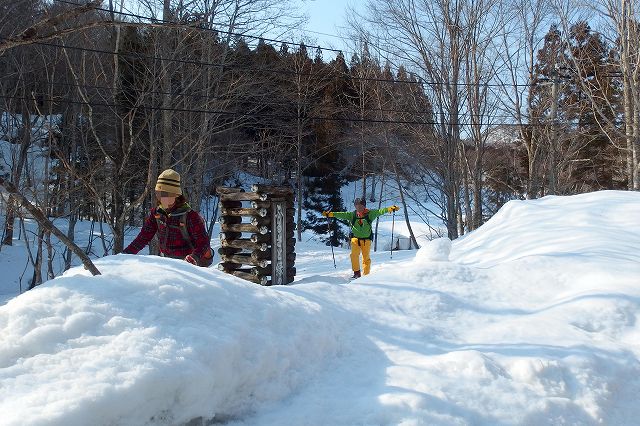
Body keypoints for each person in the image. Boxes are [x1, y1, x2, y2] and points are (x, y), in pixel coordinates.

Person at [123, 169, 214, 267]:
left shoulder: (190, 216)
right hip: (167, 263)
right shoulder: (156, 213)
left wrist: (193, 258)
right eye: (158, 193)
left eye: (166, 194)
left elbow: (204, 243)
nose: (161, 198)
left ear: (176, 195)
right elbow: (143, 238)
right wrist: (125, 255)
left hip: (189, 266)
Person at [322, 198, 399, 279]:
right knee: (353, 255)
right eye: (357, 206)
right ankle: (357, 273)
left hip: (367, 240)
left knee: (366, 258)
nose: (359, 208)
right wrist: (330, 214)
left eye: (361, 206)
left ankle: (366, 276)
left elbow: (380, 211)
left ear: (364, 206)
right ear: (355, 206)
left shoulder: (370, 214)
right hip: (355, 239)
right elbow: (341, 214)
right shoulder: (352, 215)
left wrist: (390, 209)